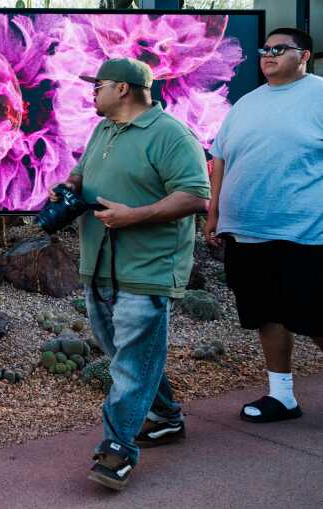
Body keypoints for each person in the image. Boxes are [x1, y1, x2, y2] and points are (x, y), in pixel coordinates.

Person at [51, 58, 209, 491]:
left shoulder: (171, 135)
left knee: (132, 366)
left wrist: (135, 215)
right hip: (99, 263)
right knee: (123, 355)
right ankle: (165, 417)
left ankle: (117, 450)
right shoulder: (103, 129)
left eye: (97, 84)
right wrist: (71, 183)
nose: (92, 91)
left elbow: (196, 197)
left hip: (147, 269)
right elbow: (88, 174)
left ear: (123, 89)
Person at [204, 27, 323, 423]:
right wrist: (214, 213)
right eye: (265, 49)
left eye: (279, 48)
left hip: (307, 232)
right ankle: (282, 396)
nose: (268, 54)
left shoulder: (319, 94)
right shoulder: (245, 104)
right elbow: (220, 159)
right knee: (266, 315)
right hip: (246, 231)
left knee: (315, 317)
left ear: (303, 55)